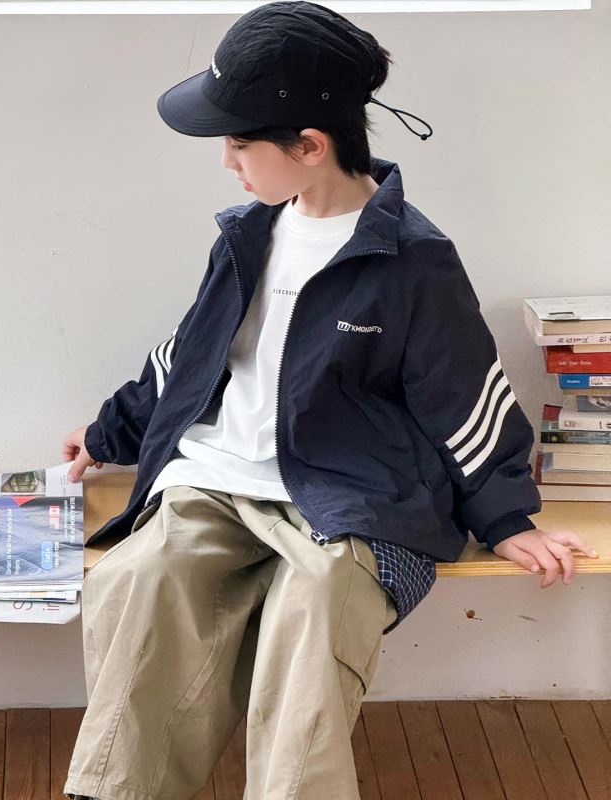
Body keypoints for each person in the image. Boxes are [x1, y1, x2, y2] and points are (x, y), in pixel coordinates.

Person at [61, 3, 598, 798]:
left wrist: (506, 518)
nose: (226, 161)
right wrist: (111, 432)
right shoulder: (246, 235)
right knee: (143, 580)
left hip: (352, 495)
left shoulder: (412, 258)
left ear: (310, 147)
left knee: (313, 612)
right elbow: (193, 354)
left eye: (240, 144)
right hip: (217, 479)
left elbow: (466, 390)